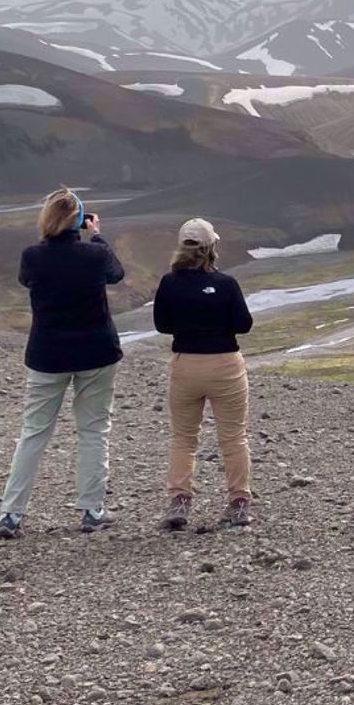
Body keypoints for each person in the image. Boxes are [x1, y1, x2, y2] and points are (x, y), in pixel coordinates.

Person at [0, 187, 126, 538]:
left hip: (47, 355)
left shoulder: (32, 257)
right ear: (79, 221)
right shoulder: (94, 256)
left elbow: (26, 280)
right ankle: (92, 509)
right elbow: (116, 273)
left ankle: (11, 514)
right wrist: (97, 236)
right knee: (94, 430)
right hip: (97, 352)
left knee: (34, 433)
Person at [152, 218, 256, 531]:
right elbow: (244, 324)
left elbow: (162, 325)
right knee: (234, 436)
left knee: (184, 438)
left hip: (186, 365)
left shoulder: (169, 283)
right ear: (212, 247)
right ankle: (239, 503)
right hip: (225, 364)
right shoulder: (226, 284)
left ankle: (180, 500)